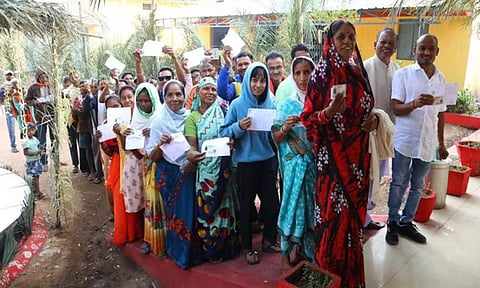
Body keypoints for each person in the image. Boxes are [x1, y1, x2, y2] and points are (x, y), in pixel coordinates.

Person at [300, 20, 377, 287]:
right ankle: (332, 279)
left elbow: (369, 108)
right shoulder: (321, 75)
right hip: (332, 163)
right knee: (334, 222)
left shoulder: (358, 73)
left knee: (353, 225)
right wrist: (329, 112)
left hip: (358, 160)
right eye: (341, 37)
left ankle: (352, 279)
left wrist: (373, 121)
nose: (347, 41)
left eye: (351, 37)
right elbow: (308, 120)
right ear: (330, 41)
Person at [385, 34, 449, 246]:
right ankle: (392, 222)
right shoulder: (403, 75)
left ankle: (406, 222)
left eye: (431, 49)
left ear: (437, 52)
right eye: (422, 48)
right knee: (398, 183)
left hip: (427, 143)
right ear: (415, 50)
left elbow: (441, 113)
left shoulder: (441, 78)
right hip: (405, 140)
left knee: (418, 185)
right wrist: (415, 103)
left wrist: (441, 143)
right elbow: (396, 108)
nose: (427, 53)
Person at [220, 62, 280, 265]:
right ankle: (248, 247)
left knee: (272, 204)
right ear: (247, 81)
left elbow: (276, 131)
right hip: (245, 165)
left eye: (263, 80)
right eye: (255, 79)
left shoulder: (271, 103)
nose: (259, 84)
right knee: (246, 207)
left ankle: (269, 241)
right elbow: (223, 131)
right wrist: (239, 127)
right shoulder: (237, 105)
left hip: (267, 162)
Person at [185, 77, 241, 264]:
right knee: (207, 210)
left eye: (213, 89)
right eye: (206, 89)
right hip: (206, 172)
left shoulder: (224, 112)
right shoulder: (192, 118)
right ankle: (211, 249)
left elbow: (231, 134)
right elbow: (192, 147)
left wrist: (232, 142)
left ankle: (228, 248)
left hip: (225, 170)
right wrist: (192, 155)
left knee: (226, 208)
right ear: (198, 93)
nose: (210, 92)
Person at [272, 56, 316, 271]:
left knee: (311, 207)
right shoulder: (286, 103)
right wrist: (287, 128)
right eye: (297, 73)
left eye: (306, 72)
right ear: (292, 75)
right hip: (293, 166)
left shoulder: (319, 102)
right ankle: (285, 252)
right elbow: (276, 137)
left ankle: (306, 251)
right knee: (292, 206)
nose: (302, 78)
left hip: (313, 165)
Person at [145, 80, 195, 268]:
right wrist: (161, 144)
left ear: (184, 96)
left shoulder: (191, 117)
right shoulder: (159, 122)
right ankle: (176, 251)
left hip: (189, 171)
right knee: (173, 214)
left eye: (178, 94)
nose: (175, 99)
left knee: (188, 212)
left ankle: (189, 252)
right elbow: (153, 156)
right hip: (169, 173)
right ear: (164, 98)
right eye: (170, 95)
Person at [363, 27, 400, 230]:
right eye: (383, 42)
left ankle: (367, 217)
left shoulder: (396, 69)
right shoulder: (365, 67)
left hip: (386, 133)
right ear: (374, 44)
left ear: (396, 47)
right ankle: (362, 218)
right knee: (368, 176)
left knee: (377, 176)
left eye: (391, 43)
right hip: (368, 133)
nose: (387, 46)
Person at [25, 68, 55, 171]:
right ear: (38, 77)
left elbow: (58, 97)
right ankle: (44, 162)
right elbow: (27, 100)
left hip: (52, 115)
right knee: (42, 140)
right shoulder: (33, 88)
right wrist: (35, 102)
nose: (44, 78)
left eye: (45, 76)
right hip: (40, 117)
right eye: (41, 76)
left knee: (54, 138)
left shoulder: (51, 85)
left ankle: (56, 159)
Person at [22, 122, 46, 200]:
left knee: (37, 177)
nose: (32, 132)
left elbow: (37, 147)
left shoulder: (35, 139)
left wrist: (41, 152)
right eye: (30, 130)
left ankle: (37, 192)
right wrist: (36, 153)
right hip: (32, 162)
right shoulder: (25, 141)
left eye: (33, 130)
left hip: (37, 160)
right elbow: (25, 152)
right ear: (27, 131)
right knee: (34, 178)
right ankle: (36, 193)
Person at [2, 70, 19, 152]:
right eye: (7, 75)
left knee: (23, 126)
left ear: (13, 75)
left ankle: (27, 143)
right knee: (11, 127)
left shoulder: (17, 84)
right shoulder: (2, 87)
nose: (9, 76)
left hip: (18, 107)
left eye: (10, 75)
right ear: (5, 76)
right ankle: (13, 146)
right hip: (9, 109)